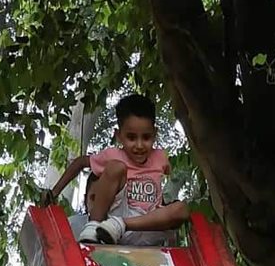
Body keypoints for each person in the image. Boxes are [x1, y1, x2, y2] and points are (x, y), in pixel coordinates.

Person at [50, 94, 190, 247]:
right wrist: (54, 193)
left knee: (181, 209)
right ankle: (93, 226)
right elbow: (80, 162)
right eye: (131, 137)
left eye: (146, 137)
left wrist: (168, 219)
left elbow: (158, 193)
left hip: (146, 225)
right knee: (116, 167)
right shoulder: (113, 155)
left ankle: (121, 224)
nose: (139, 145)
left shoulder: (161, 158)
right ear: (119, 136)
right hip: (112, 224)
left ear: (155, 134)